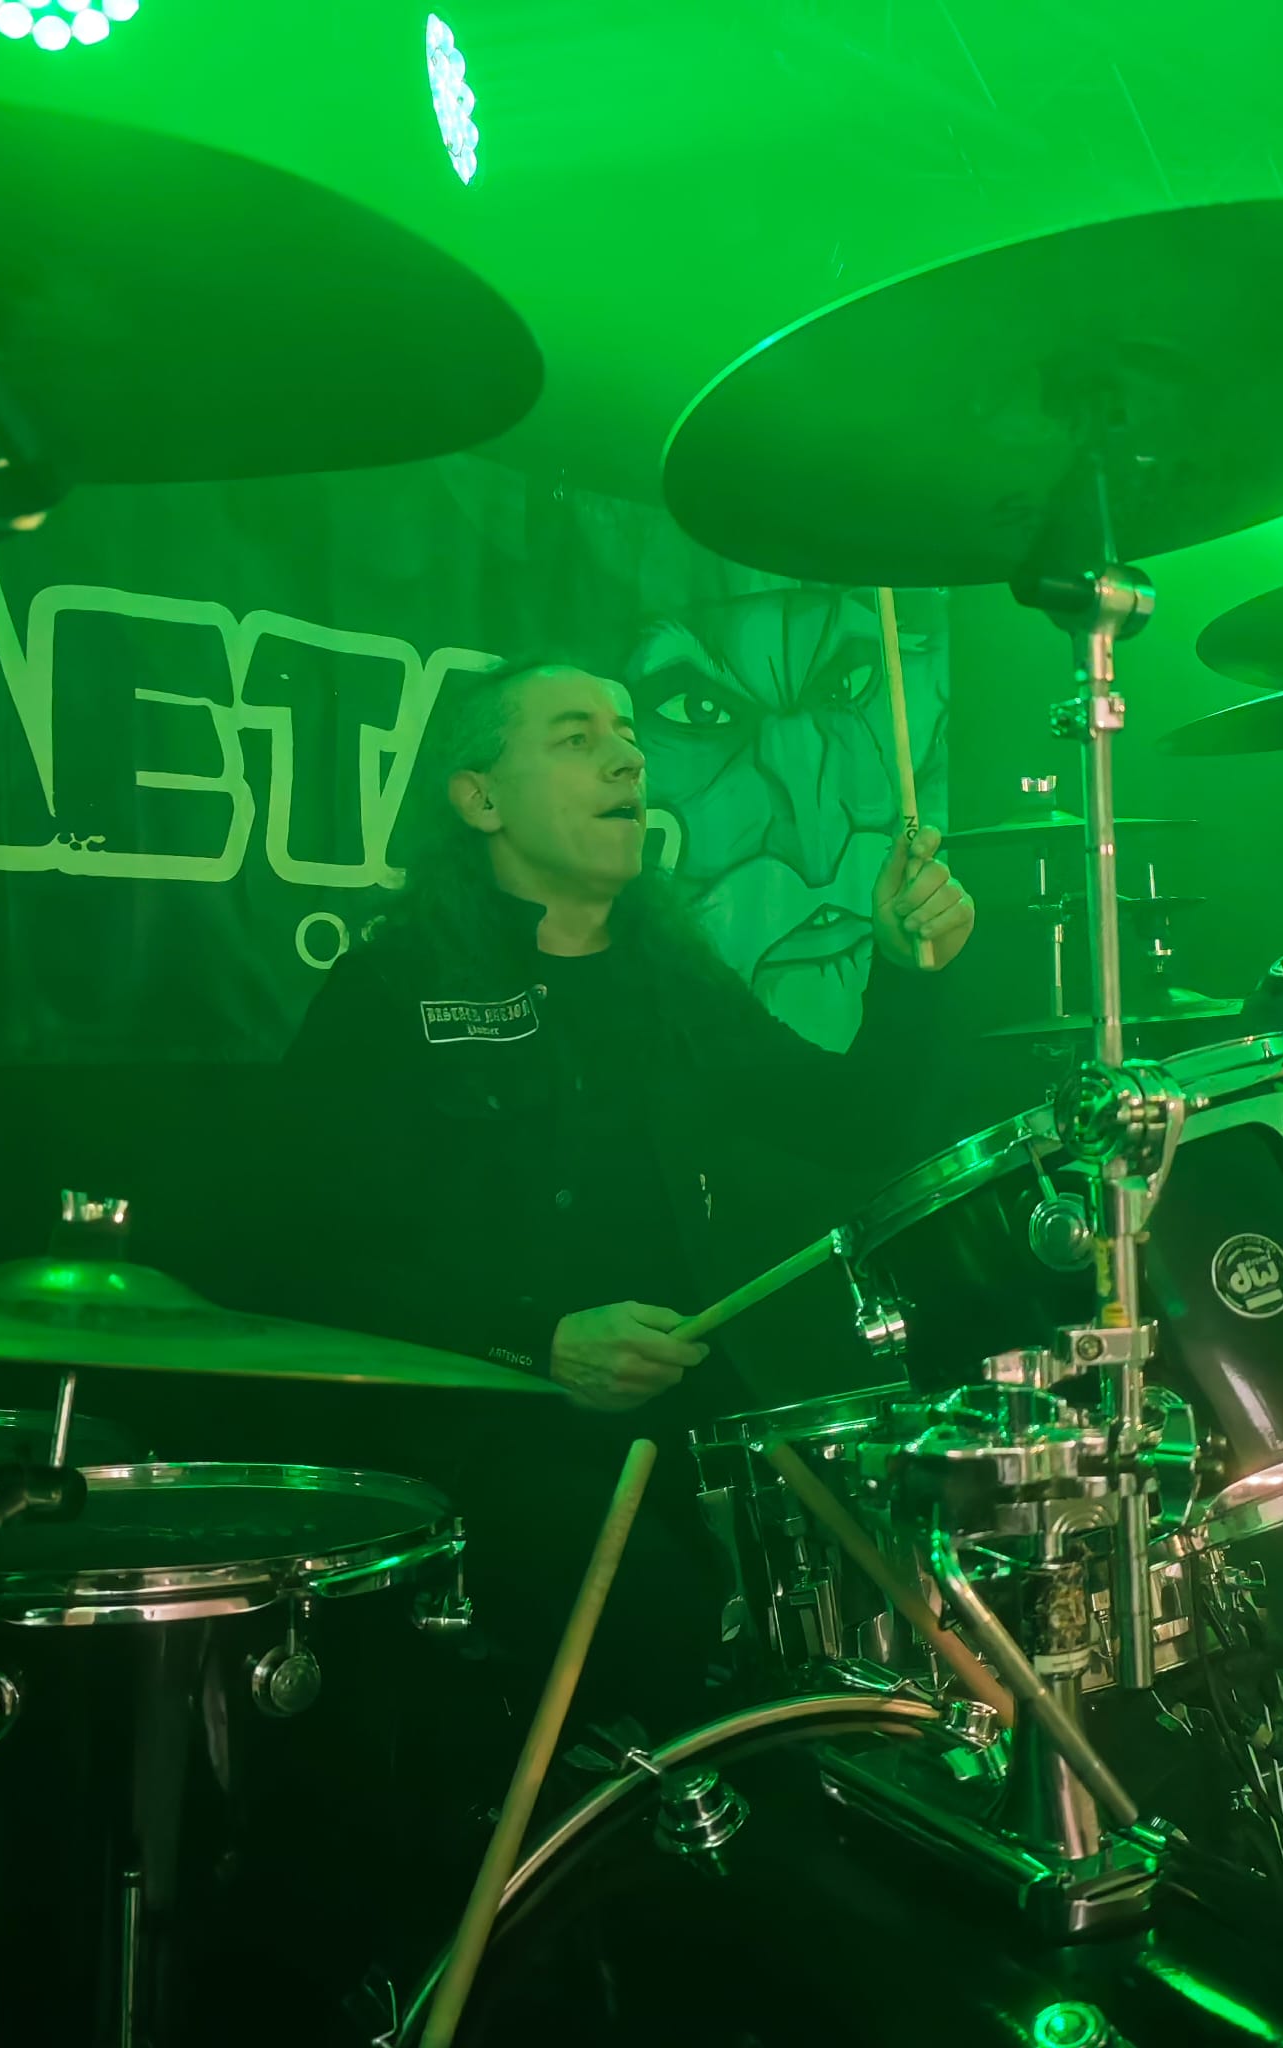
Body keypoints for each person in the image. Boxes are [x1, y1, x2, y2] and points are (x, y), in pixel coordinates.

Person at [275, 653, 975, 1730]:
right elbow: (298, 1254)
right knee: (657, 1620)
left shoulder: (671, 974)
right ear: (479, 799)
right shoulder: (389, 988)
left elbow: (854, 1124)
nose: (628, 758)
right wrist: (536, 1342)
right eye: (576, 737)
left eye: (630, 733)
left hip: (682, 1433)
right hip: (477, 1448)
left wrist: (907, 971)